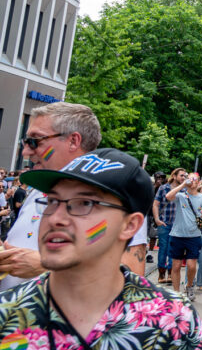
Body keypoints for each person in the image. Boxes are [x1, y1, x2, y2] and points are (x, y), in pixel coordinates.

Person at [0, 147, 202, 350]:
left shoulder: (173, 319)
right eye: (53, 201)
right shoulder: (7, 313)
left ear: (129, 225)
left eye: (84, 203)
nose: (56, 218)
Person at [0, 103, 148, 289]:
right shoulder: (37, 189)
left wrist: (43, 266)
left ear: (73, 141)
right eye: (53, 202)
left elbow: (132, 281)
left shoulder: (113, 197)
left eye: (35, 141)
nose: (26, 151)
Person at [165, 172, 202, 301]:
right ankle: (176, 292)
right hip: (177, 235)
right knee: (176, 266)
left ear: (198, 183)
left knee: (191, 266)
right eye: (190, 179)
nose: (192, 181)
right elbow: (168, 196)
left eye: (195, 179)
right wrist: (182, 185)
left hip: (194, 235)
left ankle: (189, 285)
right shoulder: (181, 196)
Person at [153, 168, 185, 284]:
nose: (183, 178)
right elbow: (155, 204)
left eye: (185, 176)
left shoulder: (184, 190)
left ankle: (171, 273)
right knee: (163, 248)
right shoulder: (163, 188)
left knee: (174, 249)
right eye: (181, 175)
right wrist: (157, 219)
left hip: (178, 224)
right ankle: (161, 273)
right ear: (174, 176)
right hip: (164, 222)